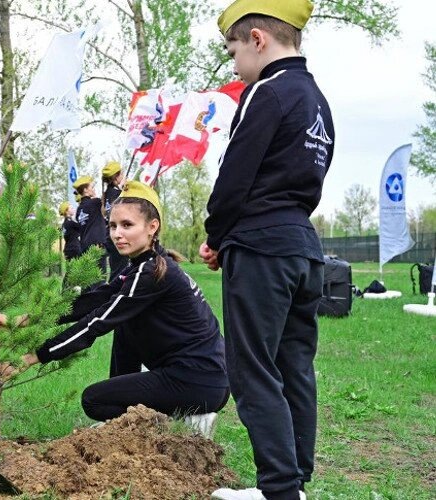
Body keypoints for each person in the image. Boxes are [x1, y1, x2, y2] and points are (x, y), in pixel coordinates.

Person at [199, 2, 333, 499]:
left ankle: (279, 490)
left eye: (233, 50)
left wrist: (216, 234)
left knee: (252, 367)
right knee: (293, 364)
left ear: (258, 39)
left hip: (262, 249)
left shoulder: (266, 91)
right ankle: (293, 482)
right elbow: (307, 182)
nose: (234, 65)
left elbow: (236, 176)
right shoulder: (318, 101)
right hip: (303, 248)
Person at [0, 181, 228, 436]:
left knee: (95, 400)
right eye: (113, 226)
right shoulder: (142, 267)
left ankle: (185, 423)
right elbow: (93, 300)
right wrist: (22, 321)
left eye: (127, 225)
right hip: (204, 378)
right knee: (125, 322)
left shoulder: (152, 273)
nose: (117, 234)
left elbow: (96, 322)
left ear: (152, 227)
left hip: (197, 381)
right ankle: (126, 422)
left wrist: (31, 358)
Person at [73, 175, 107, 279]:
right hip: (97, 245)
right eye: (91, 187)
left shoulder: (79, 209)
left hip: (85, 246)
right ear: (86, 190)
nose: (93, 189)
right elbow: (105, 210)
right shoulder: (95, 202)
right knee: (99, 276)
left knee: (88, 278)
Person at [100, 161, 128, 277]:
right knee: (120, 273)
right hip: (119, 236)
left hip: (110, 236)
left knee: (115, 271)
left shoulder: (107, 194)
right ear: (117, 177)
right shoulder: (118, 194)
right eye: (122, 174)